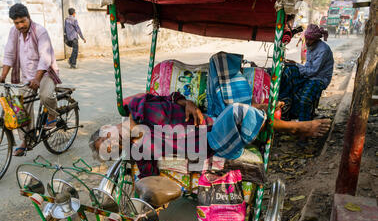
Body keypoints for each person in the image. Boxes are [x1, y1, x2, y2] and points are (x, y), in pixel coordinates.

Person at [89, 52, 331, 177]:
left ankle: (258, 110)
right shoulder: (140, 151)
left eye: (107, 140)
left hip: (208, 114)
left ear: (109, 129)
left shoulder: (138, 104)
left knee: (220, 61)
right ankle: (296, 126)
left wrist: (188, 104)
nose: (114, 144)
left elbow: (170, 97)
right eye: (111, 151)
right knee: (237, 112)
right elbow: (148, 180)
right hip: (213, 141)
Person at [0, 3, 61, 156]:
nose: (20, 25)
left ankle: (53, 114)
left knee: (45, 95)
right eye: (16, 23)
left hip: (45, 73)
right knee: (20, 109)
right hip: (27, 77)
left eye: (22, 21)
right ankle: (26, 140)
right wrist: (2, 76)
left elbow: (45, 58)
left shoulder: (40, 31)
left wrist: (37, 79)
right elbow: (9, 54)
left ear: (29, 18)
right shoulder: (14, 32)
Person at [279, 24, 334, 122]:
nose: (307, 42)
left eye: (310, 40)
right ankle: (287, 112)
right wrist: (294, 65)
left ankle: (304, 125)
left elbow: (313, 71)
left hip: (319, 78)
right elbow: (308, 67)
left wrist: (296, 65)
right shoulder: (310, 45)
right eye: (306, 39)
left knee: (304, 99)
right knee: (288, 73)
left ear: (316, 39)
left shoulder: (323, 50)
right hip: (309, 74)